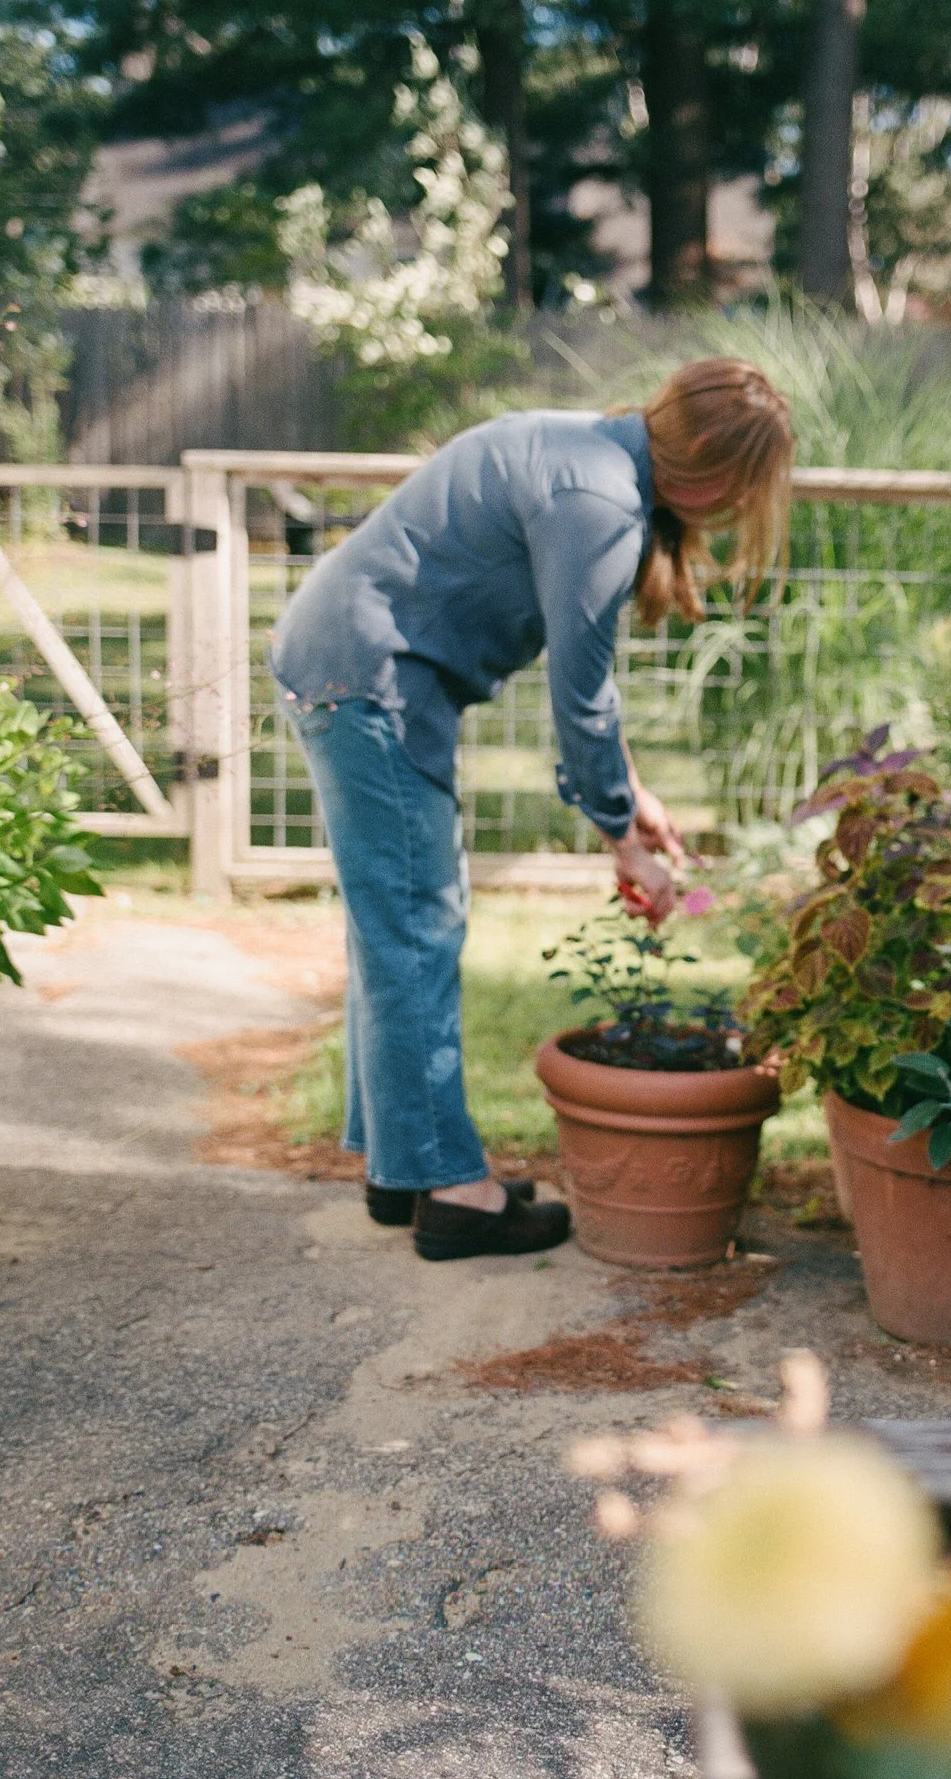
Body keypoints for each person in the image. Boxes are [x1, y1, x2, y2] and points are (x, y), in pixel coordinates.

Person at [268, 359, 795, 1261]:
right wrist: (623, 837)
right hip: (367, 678)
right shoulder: (599, 505)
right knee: (415, 930)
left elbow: (586, 687)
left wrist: (633, 802)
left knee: (394, 928)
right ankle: (452, 1192)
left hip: (352, 663)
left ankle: (407, 1170)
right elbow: (580, 696)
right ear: (714, 479)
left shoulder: (590, 451)